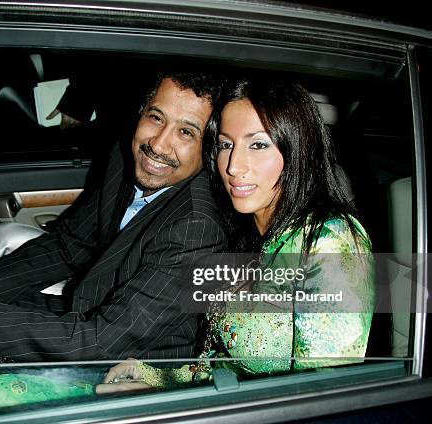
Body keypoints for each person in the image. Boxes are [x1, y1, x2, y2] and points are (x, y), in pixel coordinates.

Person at [0, 72, 228, 369]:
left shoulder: (198, 227)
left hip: (138, 367)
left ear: (210, 147)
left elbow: (103, 343)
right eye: (156, 118)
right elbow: (72, 244)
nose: (159, 145)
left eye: (186, 132)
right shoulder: (126, 159)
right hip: (90, 314)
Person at [96, 76, 376, 391]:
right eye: (226, 145)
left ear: (298, 148)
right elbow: (221, 367)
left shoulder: (329, 241)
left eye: (258, 144)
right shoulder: (248, 234)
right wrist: (155, 377)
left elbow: (324, 396)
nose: (233, 166)